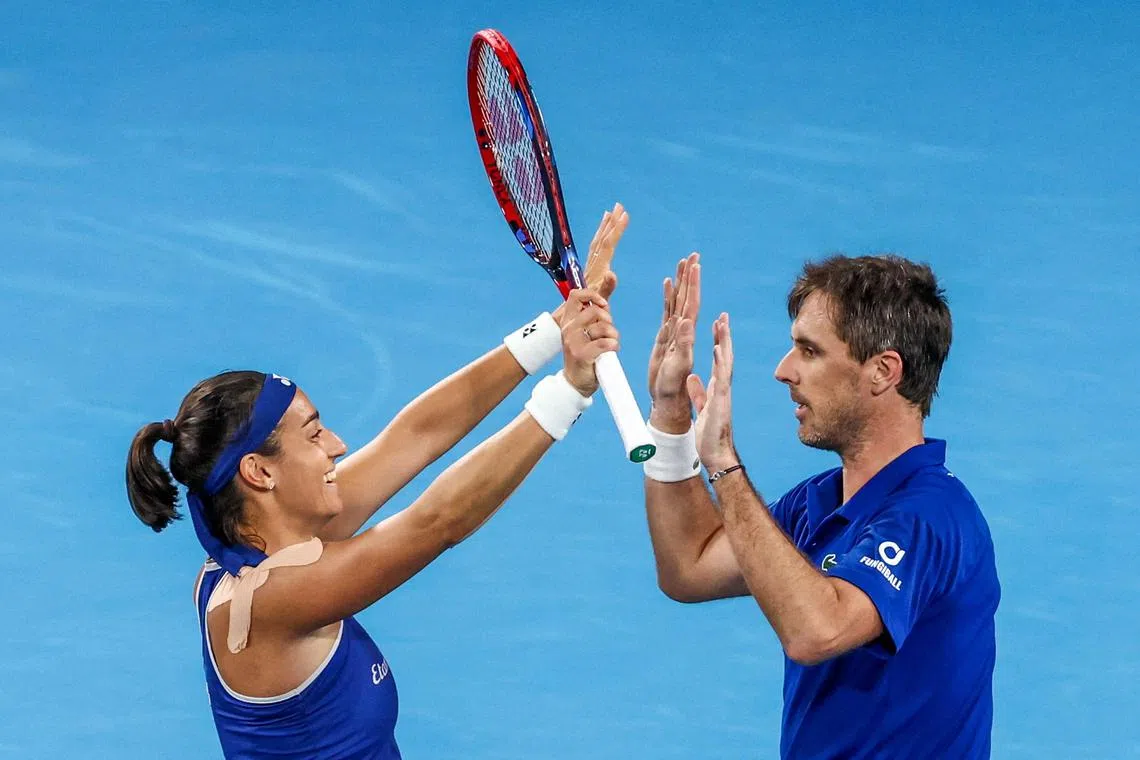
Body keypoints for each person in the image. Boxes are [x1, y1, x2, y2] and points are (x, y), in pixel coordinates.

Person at [125, 208, 629, 759]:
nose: (337, 445)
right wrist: (571, 393)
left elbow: (413, 436)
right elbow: (438, 522)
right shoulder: (276, 599)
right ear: (260, 472)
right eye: (314, 435)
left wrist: (556, 329)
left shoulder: (262, 544)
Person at [641, 252, 1000, 758]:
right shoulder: (818, 502)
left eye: (809, 351)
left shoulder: (931, 516)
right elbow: (688, 567)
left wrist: (723, 462)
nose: (783, 371)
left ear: (882, 371)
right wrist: (671, 411)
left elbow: (818, 630)